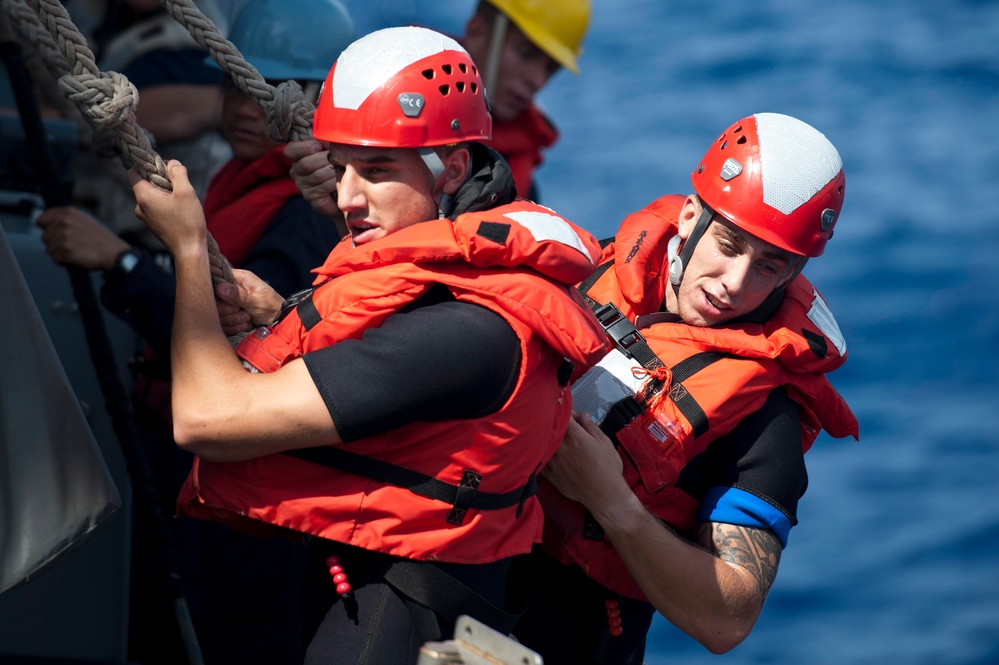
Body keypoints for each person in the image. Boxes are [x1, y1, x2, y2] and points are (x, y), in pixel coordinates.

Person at [129, 26, 609, 665]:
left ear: (453, 169)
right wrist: (274, 314)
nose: (348, 198)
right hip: (370, 602)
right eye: (340, 166)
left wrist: (188, 248)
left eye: (378, 171)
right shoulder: (451, 284)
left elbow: (204, 419)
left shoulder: (466, 330)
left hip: (386, 627)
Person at [37, 1, 356, 662]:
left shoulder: (300, 216)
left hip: (243, 514)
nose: (243, 106)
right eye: (234, 85)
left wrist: (121, 260)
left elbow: (244, 354)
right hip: (200, 482)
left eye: (268, 92)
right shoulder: (244, 184)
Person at [509, 112, 861, 664]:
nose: (735, 283)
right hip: (457, 566)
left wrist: (610, 500)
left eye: (769, 267)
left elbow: (729, 620)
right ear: (692, 217)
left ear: (793, 275)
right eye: (728, 245)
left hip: (564, 640)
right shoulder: (593, 266)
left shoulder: (766, 418)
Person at [461, 0, 590, 201]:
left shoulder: (523, 186)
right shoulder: (405, 126)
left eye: (551, 68)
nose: (538, 80)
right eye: (526, 53)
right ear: (477, 32)